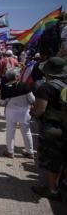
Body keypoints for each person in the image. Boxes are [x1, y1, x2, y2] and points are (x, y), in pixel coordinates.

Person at [30, 57, 67, 200]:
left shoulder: (46, 87)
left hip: (52, 128)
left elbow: (40, 110)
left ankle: (52, 190)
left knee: (52, 160)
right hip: (65, 126)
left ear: (47, 72)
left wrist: (32, 112)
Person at [0, 68, 35, 159]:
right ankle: (30, 152)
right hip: (25, 112)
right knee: (26, 132)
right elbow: (32, 100)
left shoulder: (4, 87)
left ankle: (10, 152)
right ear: (16, 76)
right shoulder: (25, 85)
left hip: (11, 112)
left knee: (10, 131)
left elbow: (2, 103)